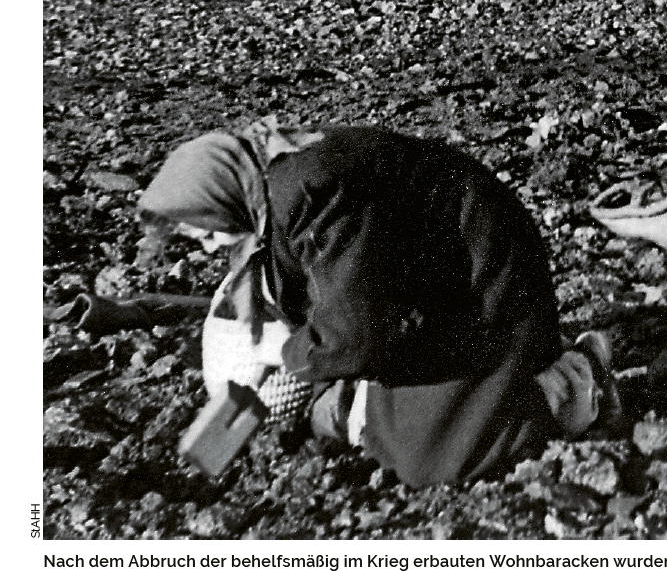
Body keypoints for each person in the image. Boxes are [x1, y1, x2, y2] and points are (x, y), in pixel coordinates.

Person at [137, 119, 621, 489]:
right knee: (378, 421)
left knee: (433, 460)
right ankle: (476, 379)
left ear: (218, 193)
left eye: (203, 230)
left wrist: (281, 352)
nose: (206, 246)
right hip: (426, 290)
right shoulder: (274, 190)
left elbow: (357, 330)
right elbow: (331, 283)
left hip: (483, 281)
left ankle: (571, 381)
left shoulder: (308, 190)